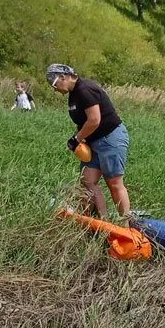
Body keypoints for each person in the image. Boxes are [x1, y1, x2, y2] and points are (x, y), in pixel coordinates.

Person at [45, 63, 132, 220]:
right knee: (87, 181)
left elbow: (94, 120)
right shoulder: (73, 95)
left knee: (114, 183)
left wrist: (76, 139)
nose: (55, 89)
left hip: (110, 138)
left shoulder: (85, 89)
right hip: (93, 142)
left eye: (54, 84)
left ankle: (128, 225)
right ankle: (103, 222)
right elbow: (84, 122)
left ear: (63, 77)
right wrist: (77, 139)